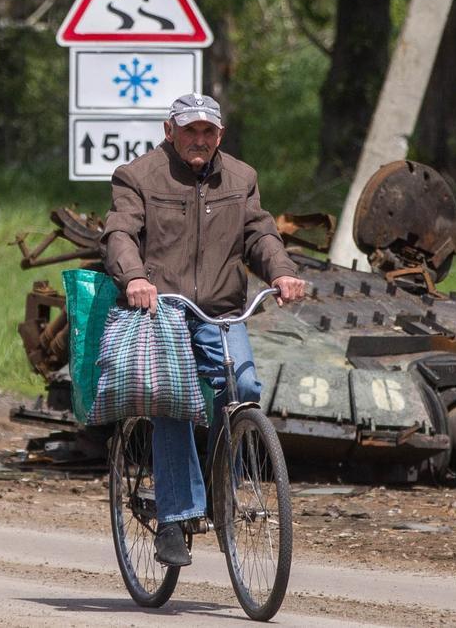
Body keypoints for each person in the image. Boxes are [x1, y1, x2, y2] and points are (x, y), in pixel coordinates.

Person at [101, 93, 305, 567]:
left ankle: (220, 493)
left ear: (220, 136)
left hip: (220, 309)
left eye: (208, 132)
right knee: (173, 400)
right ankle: (175, 516)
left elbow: (260, 234)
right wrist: (133, 277)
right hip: (163, 308)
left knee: (244, 388)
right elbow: (120, 235)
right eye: (189, 130)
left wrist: (281, 270)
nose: (199, 140)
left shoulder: (241, 177)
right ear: (168, 131)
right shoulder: (138, 176)